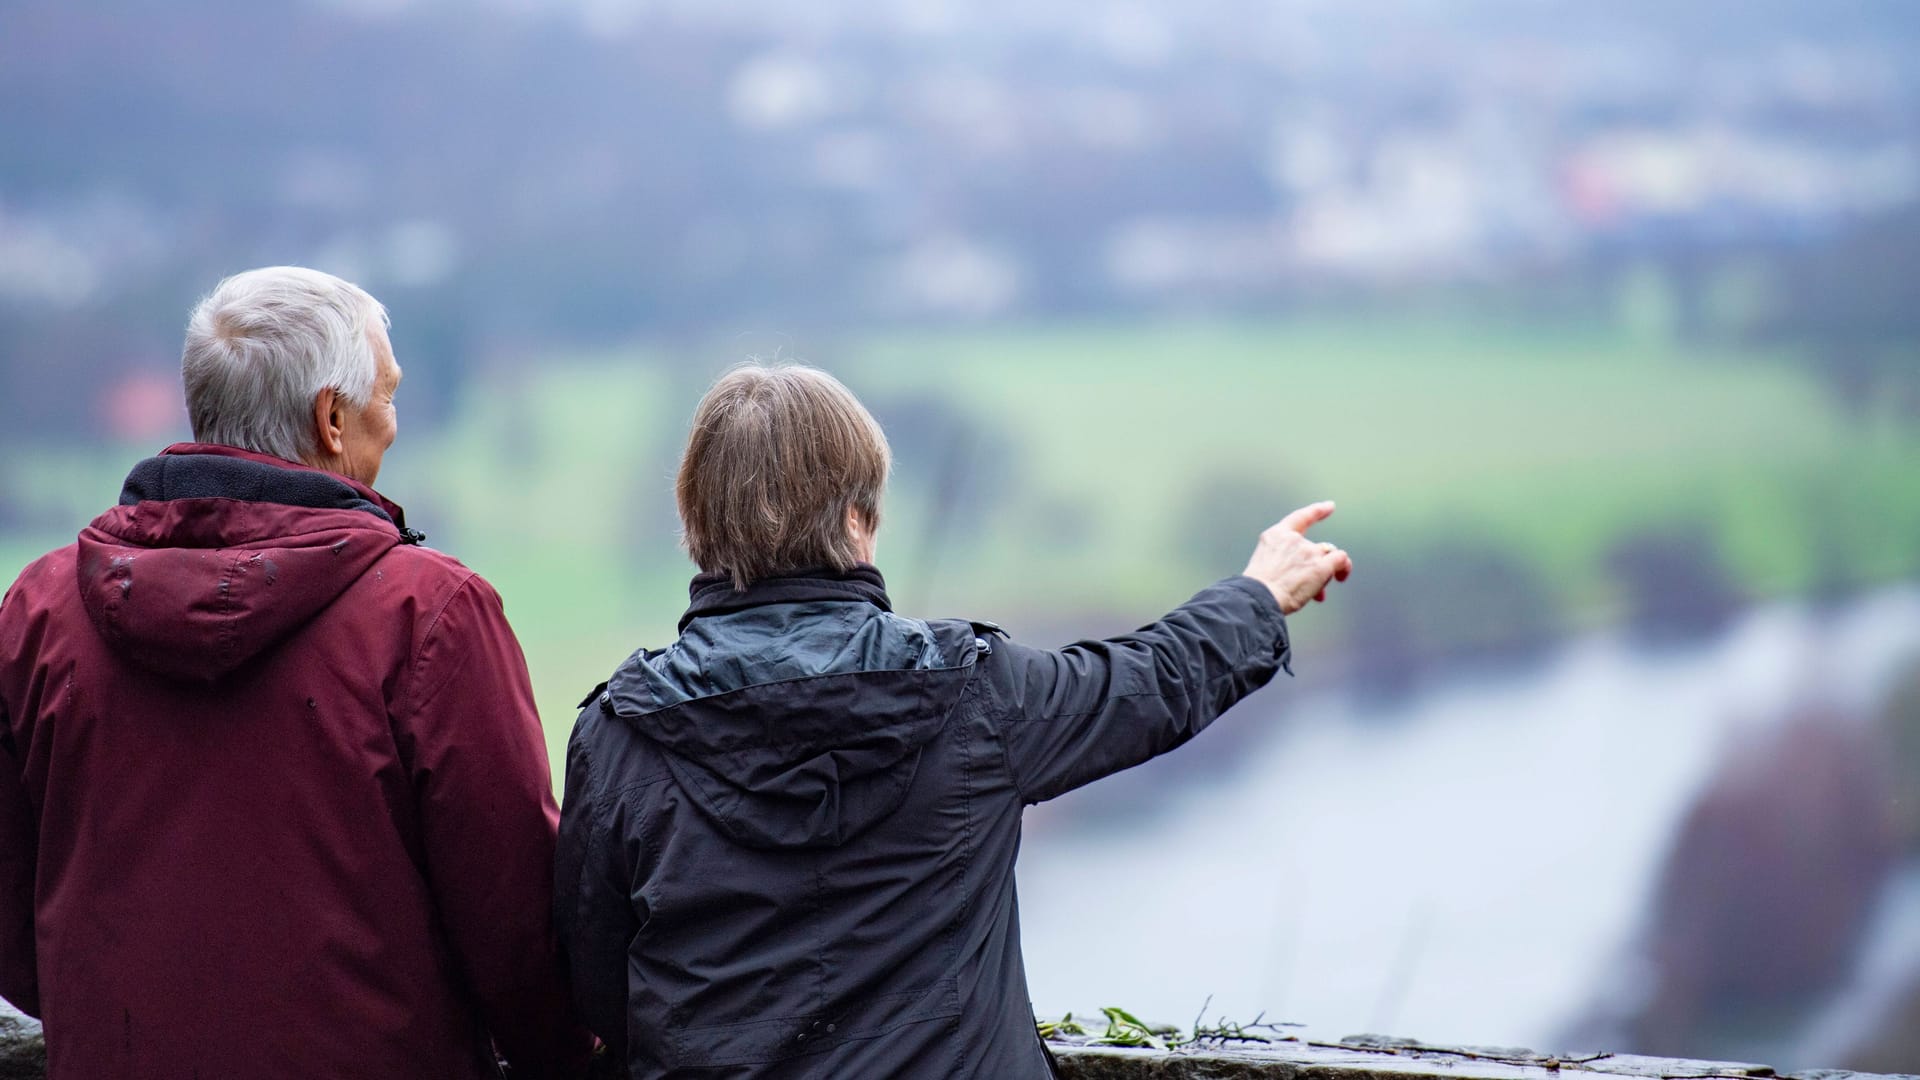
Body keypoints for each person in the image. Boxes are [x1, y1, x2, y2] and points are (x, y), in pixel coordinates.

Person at [555, 363, 1352, 1078]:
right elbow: (1149, 681)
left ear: (699, 530)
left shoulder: (622, 736)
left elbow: (595, 980)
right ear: (859, 522)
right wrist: (1256, 595)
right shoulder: (974, 697)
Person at [0, 267, 591, 1079]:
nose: (396, 421)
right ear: (333, 417)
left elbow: (11, 916)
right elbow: (518, 932)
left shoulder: (38, 614)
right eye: (388, 394)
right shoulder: (429, 618)